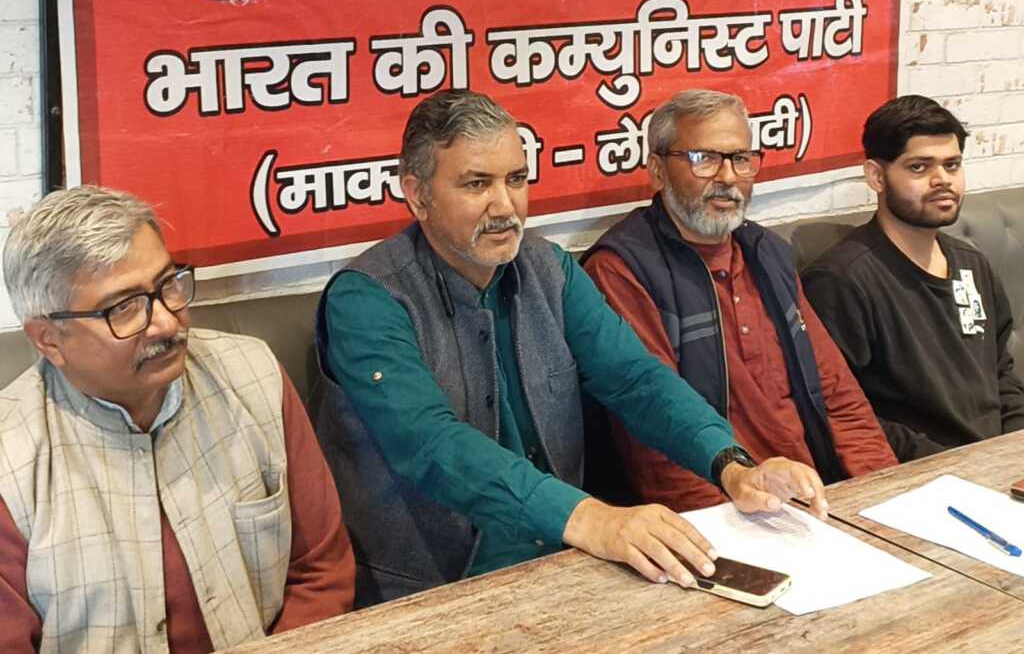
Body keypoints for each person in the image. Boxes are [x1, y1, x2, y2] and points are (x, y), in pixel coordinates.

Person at [316, 89, 828, 607]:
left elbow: (636, 379)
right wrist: (592, 518)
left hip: (562, 564)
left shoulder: (548, 269)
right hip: (431, 591)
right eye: (476, 184)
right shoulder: (366, 299)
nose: (505, 206)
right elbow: (430, 443)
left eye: (516, 179)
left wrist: (731, 465)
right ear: (417, 194)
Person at [0, 186, 355, 651]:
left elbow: (321, 572)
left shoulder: (253, 376)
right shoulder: (10, 461)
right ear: (48, 339)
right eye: (123, 308)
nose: (167, 322)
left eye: (168, 285)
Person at [582, 89, 895, 512]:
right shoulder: (622, 270)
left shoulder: (767, 253)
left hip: (810, 497)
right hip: (722, 511)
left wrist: (882, 495)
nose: (728, 177)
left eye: (741, 159)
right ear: (657, 170)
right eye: (705, 159)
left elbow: (838, 394)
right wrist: (726, 532)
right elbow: (655, 444)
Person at [802, 95, 1024, 461]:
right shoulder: (841, 281)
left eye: (952, 165)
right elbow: (843, 414)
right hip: (921, 473)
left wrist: (1013, 448)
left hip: (995, 464)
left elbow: (1001, 373)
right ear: (876, 176)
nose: (942, 180)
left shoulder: (972, 264)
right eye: (919, 167)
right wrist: (954, 466)